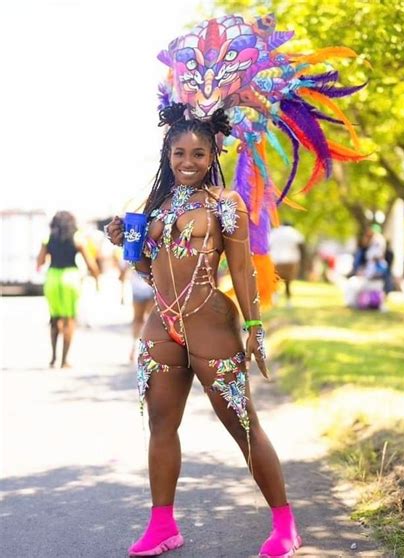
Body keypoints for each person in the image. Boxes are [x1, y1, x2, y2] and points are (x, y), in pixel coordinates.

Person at [105, 104, 301, 558]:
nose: (187, 162)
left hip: (212, 324)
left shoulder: (224, 204)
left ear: (213, 153)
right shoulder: (154, 204)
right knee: (160, 424)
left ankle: (285, 525)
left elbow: (243, 270)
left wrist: (254, 327)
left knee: (243, 426)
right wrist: (126, 241)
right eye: (178, 153)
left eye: (197, 153)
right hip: (162, 327)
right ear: (166, 154)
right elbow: (148, 270)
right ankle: (162, 526)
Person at [37, 211, 99, 368]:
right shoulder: (78, 238)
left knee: (54, 318)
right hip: (71, 278)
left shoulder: (48, 238)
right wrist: (96, 278)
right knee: (69, 319)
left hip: (52, 277)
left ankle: (53, 358)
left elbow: (40, 261)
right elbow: (91, 265)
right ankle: (64, 361)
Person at [269, 222, 305, 304]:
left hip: (276, 260)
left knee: (275, 280)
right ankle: (288, 300)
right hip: (290, 261)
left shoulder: (274, 232)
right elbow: (301, 246)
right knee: (288, 282)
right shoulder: (293, 232)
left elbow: (268, 245)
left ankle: (275, 298)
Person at [129, 269, 155, 361]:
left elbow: (126, 265)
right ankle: (147, 351)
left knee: (138, 319)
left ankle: (134, 348)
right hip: (151, 287)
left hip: (137, 288)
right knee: (152, 320)